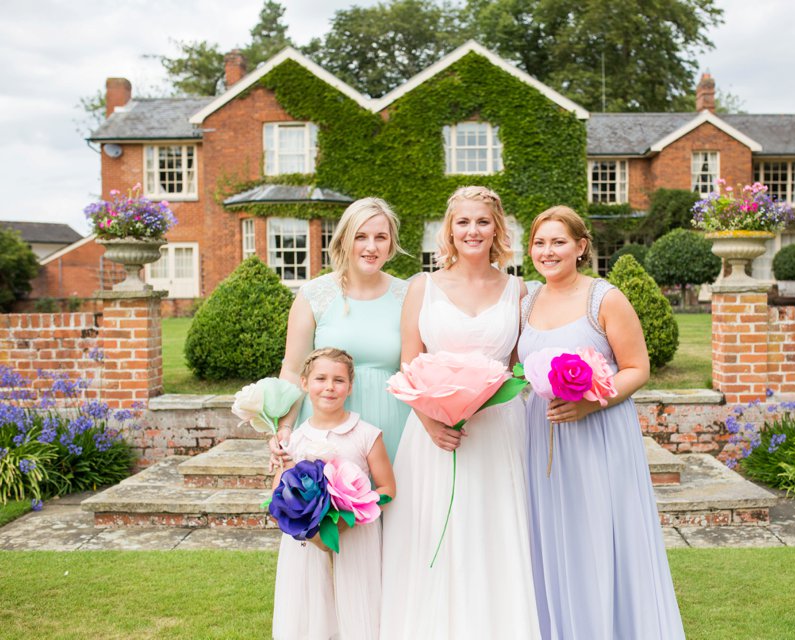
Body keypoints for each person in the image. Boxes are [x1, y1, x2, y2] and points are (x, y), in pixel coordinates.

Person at [379, 186, 540, 639]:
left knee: (493, 533)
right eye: (463, 222)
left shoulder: (518, 289)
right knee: (435, 533)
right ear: (448, 230)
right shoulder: (422, 287)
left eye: (482, 222)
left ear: (497, 229)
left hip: (498, 432)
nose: (473, 231)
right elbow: (407, 367)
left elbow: (518, 369)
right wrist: (432, 422)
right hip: (432, 435)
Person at [519, 206, 685, 639]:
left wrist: (589, 404)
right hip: (541, 434)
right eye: (539, 242)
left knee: (597, 534)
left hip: (597, 433)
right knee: (552, 535)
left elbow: (636, 368)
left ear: (581, 246)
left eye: (558, 242)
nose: (547, 251)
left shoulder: (604, 298)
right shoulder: (528, 300)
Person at [270, 197, 410, 465]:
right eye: (361, 237)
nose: (371, 247)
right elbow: (292, 370)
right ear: (345, 239)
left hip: (394, 428)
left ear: (390, 243)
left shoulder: (408, 295)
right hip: (325, 433)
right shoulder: (313, 295)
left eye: (380, 237)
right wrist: (284, 427)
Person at [272, 348, 396, 640]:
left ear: (350, 387)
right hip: (306, 540)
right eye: (320, 378)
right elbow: (279, 494)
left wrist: (351, 511)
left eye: (339, 380)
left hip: (355, 535)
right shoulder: (294, 440)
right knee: (311, 605)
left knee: (356, 603)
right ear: (304, 384)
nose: (329, 386)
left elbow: (388, 488)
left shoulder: (366, 434)